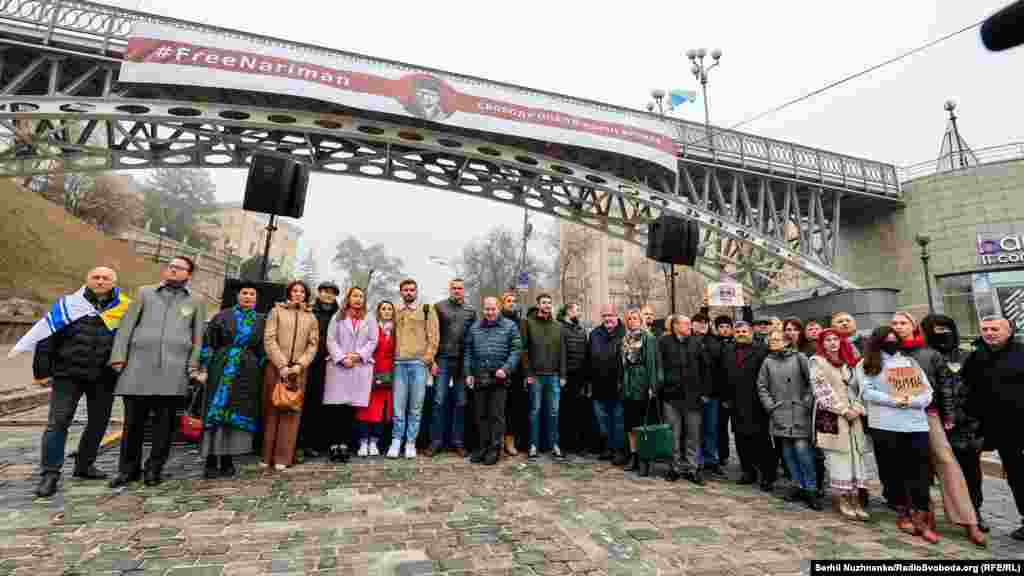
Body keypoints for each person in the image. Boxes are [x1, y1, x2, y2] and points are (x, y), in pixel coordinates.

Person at [16, 267, 130, 497]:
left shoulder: (125, 308)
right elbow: (46, 335)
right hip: (68, 374)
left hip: (104, 376)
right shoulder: (69, 304)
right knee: (58, 422)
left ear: (114, 283)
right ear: (87, 280)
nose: (100, 281)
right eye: (95, 277)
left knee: (99, 422)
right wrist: (41, 371)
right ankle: (50, 473)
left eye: (105, 278)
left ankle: (84, 465)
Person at [108, 257, 206, 488]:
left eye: (179, 268)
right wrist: (118, 356)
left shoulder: (196, 300)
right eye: (170, 266)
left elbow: (198, 336)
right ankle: (127, 469)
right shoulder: (145, 292)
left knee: (165, 425)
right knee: (133, 423)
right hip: (139, 366)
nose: (172, 270)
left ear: (188, 274)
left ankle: (154, 469)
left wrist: (193, 365)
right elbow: (126, 326)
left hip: (174, 369)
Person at [862, 326, 938, 543]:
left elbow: (927, 391)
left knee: (920, 470)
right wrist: (894, 400)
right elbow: (867, 391)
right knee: (893, 470)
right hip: (886, 425)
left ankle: (921, 515)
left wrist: (914, 402)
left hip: (915, 424)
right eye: (887, 339)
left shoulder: (910, 362)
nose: (892, 341)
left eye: (895, 338)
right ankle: (902, 511)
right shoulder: (869, 363)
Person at [920, 314, 987, 546]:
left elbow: (980, 388)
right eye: (935, 329)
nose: (941, 333)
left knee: (971, 472)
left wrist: (976, 419)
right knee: (936, 472)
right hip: (935, 421)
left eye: (945, 328)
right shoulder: (925, 357)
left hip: (967, 424)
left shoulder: (968, 356)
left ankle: (974, 513)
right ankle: (928, 514)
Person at [197, 282, 265, 479]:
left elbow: (263, 349)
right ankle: (210, 459)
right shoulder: (222, 316)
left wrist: (256, 365)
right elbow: (208, 343)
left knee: (236, 411)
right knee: (214, 410)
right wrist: (204, 367)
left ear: (256, 299)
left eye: (252, 294)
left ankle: (227, 459)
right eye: (245, 293)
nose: (248, 297)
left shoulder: (262, 320)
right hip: (220, 366)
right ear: (238, 296)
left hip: (246, 372)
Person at [965, 316, 1024, 542]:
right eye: (985, 329)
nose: (989, 333)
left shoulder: (1021, 352)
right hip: (996, 430)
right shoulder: (976, 357)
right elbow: (966, 389)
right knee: (1017, 477)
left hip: (1022, 426)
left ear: (1009, 331)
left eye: (995, 329)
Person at [810, 329, 869, 521]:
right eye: (828, 340)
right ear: (822, 343)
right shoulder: (817, 361)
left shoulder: (849, 361)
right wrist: (843, 410)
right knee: (839, 457)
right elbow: (822, 391)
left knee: (856, 457)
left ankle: (855, 498)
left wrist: (858, 407)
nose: (833, 343)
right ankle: (841, 498)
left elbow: (862, 386)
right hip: (834, 416)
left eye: (836, 339)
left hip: (854, 416)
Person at [758, 329, 820, 510]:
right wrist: (770, 406)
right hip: (780, 413)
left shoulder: (799, 357)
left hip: (799, 411)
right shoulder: (767, 362)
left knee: (802, 450)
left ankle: (811, 488)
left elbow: (812, 381)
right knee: (788, 453)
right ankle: (797, 485)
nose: (773, 342)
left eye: (777, 339)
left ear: (786, 342)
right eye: (771, 340)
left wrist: (806, 402)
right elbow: (762, 386)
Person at [262, 280, 319, 470]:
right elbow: (269, 339)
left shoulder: (311, 317)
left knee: (292, 412)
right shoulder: (276, 312)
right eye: (294, 290)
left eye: (302, 292)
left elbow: (313, 344)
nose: (298, 294)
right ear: (289, 293)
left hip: (298, 371)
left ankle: (283, 458)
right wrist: (282, 365)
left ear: (306, 295)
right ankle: (267, 456)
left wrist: (300, 365)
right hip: (277, 367)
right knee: (273, 410)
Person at [464, 296, 522, 465]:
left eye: (493, 309)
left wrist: (506, 369)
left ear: (498, 308)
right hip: (480, 376)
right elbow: (468, 351)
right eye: (487, 309)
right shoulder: (475, 328)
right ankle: (482, 447)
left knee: (497, 415)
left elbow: (517, 350)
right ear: (483, 309)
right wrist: (468, 373)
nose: (490, 312)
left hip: (499, 377)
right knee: (481, 415)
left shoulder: (510, 326)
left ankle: (495, 449)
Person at [323, 286, 377, 462]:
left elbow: (373, 340)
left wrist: (357, 355)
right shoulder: (338, 316)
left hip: (358, 366)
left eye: (361, 296)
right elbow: (330, 340)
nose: (358, 299)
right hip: (338, 366)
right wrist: (341, 357)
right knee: (335, 408)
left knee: (349, 409)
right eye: (355, 295)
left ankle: (344, 445)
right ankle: (333, 445)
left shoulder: (369, 318)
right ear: (349, 298)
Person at [389, 279, 439, 459]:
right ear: (401, 292)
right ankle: (396, 440)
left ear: (416, 292)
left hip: (418, 364)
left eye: (412, 290)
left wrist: (427, 358)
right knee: (398, 406)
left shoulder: (427, 309)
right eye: (405, 290)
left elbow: (434, 336)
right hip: (399, 363)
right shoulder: (395, 310)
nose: (409, 293)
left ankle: (411, 442)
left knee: (416, 407)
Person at [426, 279, 476, 457]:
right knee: (439, 401)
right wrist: (431, 360)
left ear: (464, 290)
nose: (457, 291)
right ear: (450, 290)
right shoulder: (438, 307)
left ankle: (458, 442)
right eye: (454, 288)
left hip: (462, 362)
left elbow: (473, 340)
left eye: (460, 288)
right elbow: (431, 334)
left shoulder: (471, 311)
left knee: (461, 403)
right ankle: (436, 441)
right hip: (443, 359)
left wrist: (471, 367)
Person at [721, 321, 773, 491]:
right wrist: (726, 397)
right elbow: (724, 374)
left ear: (751, 332)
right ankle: (747, 471)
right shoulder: (728, 350)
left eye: (744, 331)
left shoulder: (762, 350)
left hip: (756, 401)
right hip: (736, 402)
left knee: (761, 440)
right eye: (738, 331)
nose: (741, 333)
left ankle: (767, 475)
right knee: (741, 439)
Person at [658, 315, 709, 484]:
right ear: (675, 326)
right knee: (673, 435)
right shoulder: (664, 342)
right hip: (671, 397)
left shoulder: (696, 342)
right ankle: (675, 467)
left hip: (693, 397)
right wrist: (663, 386)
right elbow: (659, 367)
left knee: (693, 435)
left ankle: (692, 469)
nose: (689, 326)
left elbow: (705, 367)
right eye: (686, 324)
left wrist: (704, 391)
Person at [297, 281, 340, 461]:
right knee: (306, 403)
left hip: (332, 364)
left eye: (332, 293)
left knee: (324, 405)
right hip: (311, 362)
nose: (329, 296)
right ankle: (300, 443)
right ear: (319, 293)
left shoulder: (339, 315)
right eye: (325, 292)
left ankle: (317, 443)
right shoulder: (310, 311)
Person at [520, 293, 565, 458]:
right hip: (536, 376)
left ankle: (554, 444)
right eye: (544, 303)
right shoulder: (528, 323)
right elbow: (524, 350)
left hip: (553, 375)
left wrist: (563, 375)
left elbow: (562, 352)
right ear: (538, 305)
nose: (547, 305)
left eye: (549, 303)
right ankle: (533, 445)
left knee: (554, 411)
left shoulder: (558, 326)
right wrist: (528, 373)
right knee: (535, 411)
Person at [587, 305, 627, 465]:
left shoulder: (624, 333)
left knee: (618, 420)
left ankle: (619, 450)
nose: (608, 318)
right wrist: (588, 382)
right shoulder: (595, 334)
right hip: (598, 383)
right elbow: (588, 359)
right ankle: (607, 447)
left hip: (618, 384)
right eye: (605, 315)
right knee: (602, 419)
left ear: (617, 316)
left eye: (611, 315)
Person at [355, 301, 396, 457]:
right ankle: (363, 442)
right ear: (378, 312)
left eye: (389, 309)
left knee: (380, 411)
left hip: (386, 375)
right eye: (383, 309)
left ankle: (374, 441)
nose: (386, 311)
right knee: (365, 409)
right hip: (369, 371)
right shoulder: (370, 328)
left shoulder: (394, 331)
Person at [621, 308, 659, 475]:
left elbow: (652, 363)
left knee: (643, 424)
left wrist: (652, 386)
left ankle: (645, 459)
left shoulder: (648, 338)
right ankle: (633, 456)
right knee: (630, 424)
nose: (632, 321)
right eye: (629, 319)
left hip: (642, 382)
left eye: (635, 318)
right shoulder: (625, 338)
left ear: (641, 320)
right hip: (628, 383)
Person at [702, 315, 734, 478]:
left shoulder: (736, 342)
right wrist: (705, 308)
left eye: (727, 326)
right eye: (721, 327)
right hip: (715, 392)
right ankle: (719, 456)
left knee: (728, 427)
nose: (724, 329)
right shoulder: (713, 341)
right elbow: (703, 325)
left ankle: (722, 455)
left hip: (730, 392)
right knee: (717, 427)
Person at [559, 303, 589, 456]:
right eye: (577, 310)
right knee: (566, 412)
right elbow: (561, 353)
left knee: (579, 412)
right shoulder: (561, 329)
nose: (580, 313)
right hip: (567, 377)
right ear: (569, 312)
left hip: (580, 376)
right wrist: (562, 375)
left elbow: (586, 352)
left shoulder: (581, 329)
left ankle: (578, 445)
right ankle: (565, 444)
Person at [500, 291, 525, 456]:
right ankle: (498, 440)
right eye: (508, 301)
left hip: (516, 371)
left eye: (514, 301)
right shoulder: (498, 319)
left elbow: (524, 347)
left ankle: (510, 441)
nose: (512, 303)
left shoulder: (521, 322)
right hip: (499, 370)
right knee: (498, 408)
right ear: (502, 303)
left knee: (513, 408)